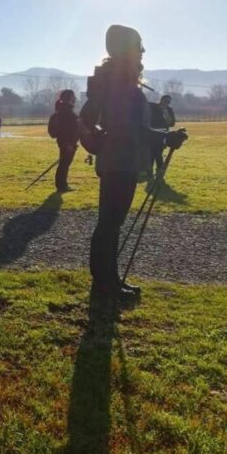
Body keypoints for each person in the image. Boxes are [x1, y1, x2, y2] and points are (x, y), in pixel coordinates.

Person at [79, 25, 187, 300]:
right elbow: (127, 128)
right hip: (119, 160)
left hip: (120, 160)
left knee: (111, 224)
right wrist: (164, 138)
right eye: (139, 46)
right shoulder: (118, 83)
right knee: (109, 224)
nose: (143, 51)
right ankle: (104, 286)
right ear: (126, 50)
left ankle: (109, 281)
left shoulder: (120, 80)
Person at [48, 89, 79, 192]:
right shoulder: (65, 112)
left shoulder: (66, 111)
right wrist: (67, 144)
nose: (75, 99)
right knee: (64, 164)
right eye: (73, 97)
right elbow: (63, 130)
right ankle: (61, 186)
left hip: (70, 143)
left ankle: (62, 184)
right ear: (68, 98)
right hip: (67, 144)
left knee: (65, 164)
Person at [148, 94, 176, 177]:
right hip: (153, 133)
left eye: (168, 102)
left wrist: (167, 116)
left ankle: (159, 172)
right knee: (152, 153)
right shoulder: (154, 107)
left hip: (163, 135)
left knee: (158, 153)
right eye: (165, 101)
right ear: (161, 100)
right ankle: (150, 172)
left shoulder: (169, 110)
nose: (167, 103)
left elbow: (172, 123)